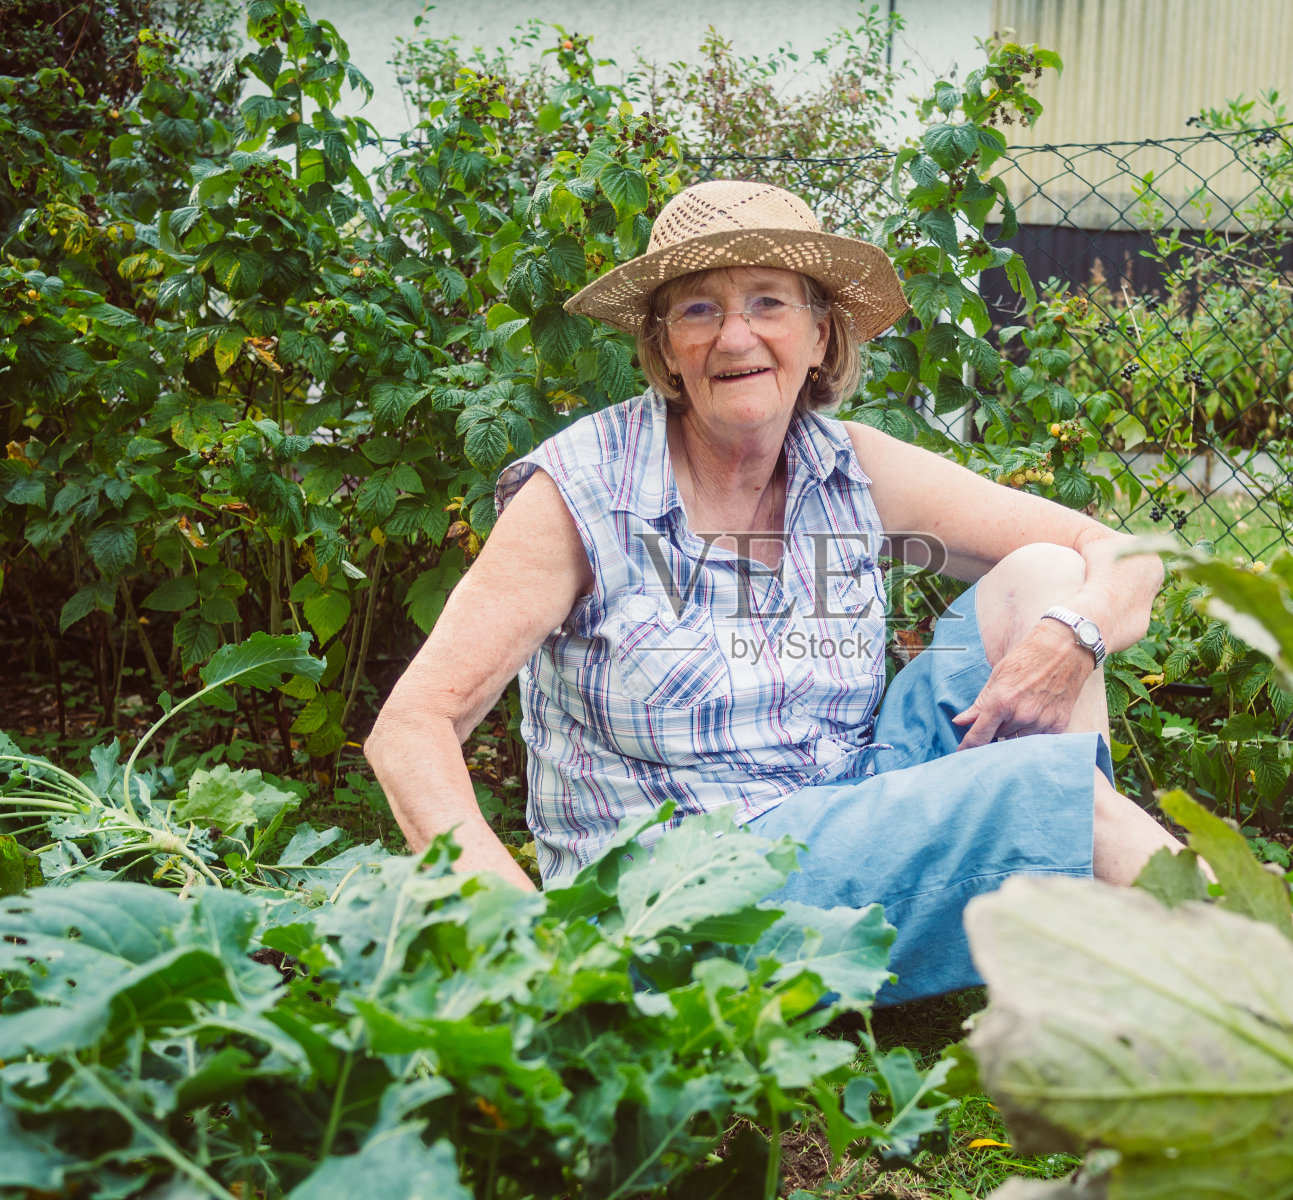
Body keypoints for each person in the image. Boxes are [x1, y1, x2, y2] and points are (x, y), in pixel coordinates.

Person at [366, 180, 1180, 1004]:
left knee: (1045, 576)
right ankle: (1278, 971)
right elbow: (411, 727)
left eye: (768, 303)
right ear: (662, 349)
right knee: (1055, 796)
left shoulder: (849, 465)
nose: (735, 336)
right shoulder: (584, 489)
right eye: (697, 310)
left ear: (821, 335)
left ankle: (1081, 941)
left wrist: (1071, 632)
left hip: (845, 814)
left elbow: (1119, 553)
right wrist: (518, 934)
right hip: (682, 902)